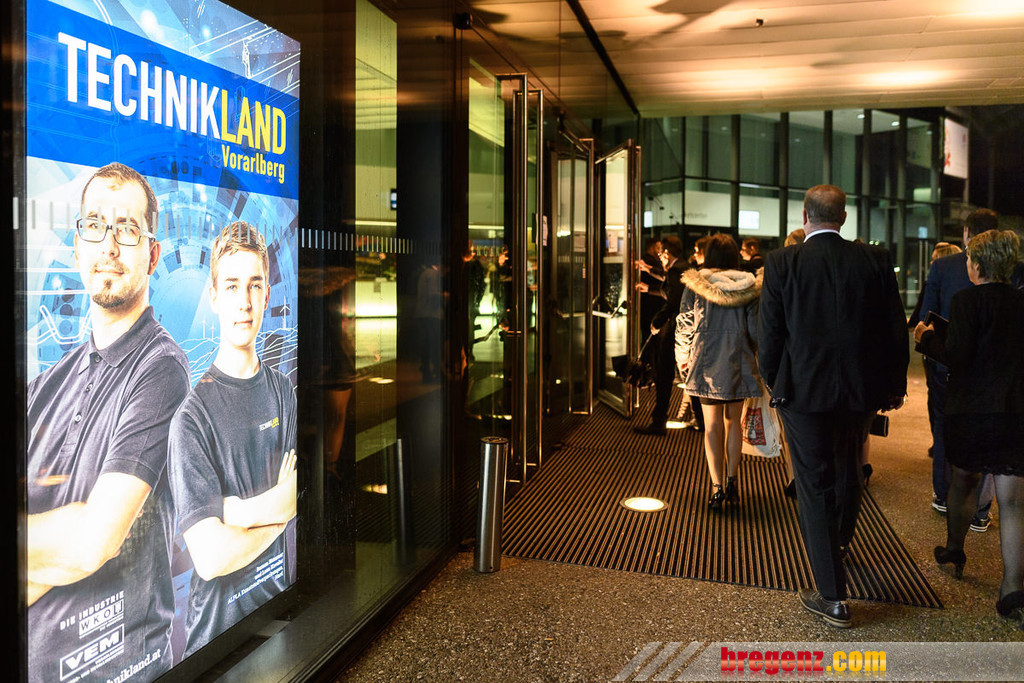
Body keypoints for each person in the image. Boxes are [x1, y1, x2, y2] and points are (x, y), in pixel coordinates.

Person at [26, 162, 189, 682]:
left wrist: (64, 540)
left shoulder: (161, 369)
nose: (110, 246)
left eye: (128, 229)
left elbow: (90, 542)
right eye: (95, 225)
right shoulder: (43, 387)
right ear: (78, 247)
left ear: (153, 254)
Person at [759, 184, 908, 628]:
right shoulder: (875, 260)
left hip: (803, 392)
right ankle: (838, 544)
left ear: (805, 216)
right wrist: (893, 385)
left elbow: (771, 336)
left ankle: (833, 596)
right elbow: (894, 329)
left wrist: (776, 383)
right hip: (861, 390)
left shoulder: (783, 262)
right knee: (849, 471)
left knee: (814, 482)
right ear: (843, 218)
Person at [167, 222, 297, 657]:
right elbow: (211, 558)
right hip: (216, 643)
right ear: (214, 296)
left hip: (281, 613)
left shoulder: (282, 390)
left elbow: (298, 491)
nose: (245, 302)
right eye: (232, 286)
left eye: (255, 285)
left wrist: (238, 512)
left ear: (267, 294)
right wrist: (279, 515)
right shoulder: (191, 420)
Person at [913, 229, 1024, 625]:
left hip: (971, 411)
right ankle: (1012, 587)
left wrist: (927, 339)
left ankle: (955, 549)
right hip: (1014, 413)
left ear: (977, 264)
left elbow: (957, 355)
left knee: (963, 481)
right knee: (1012, 502)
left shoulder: (966, 301)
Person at [920, 210, 999, 531]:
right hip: (994, 369)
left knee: (943, 425)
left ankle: (943, 494)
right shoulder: (1009, 270)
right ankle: (980, 508)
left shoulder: (943, 266)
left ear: (967, 233)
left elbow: (927, 314)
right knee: (989, 430)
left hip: (947, 363)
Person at [674, 233, 761, 508]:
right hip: (739, 362)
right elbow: (756, 331)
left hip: (706, 361)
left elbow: (684, 323)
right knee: (734, 422)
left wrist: (682, 357)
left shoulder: (697, 285)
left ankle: (717, 488)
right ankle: (733, 481)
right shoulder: (748, 287)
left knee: (711, 426)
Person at [634, 235, 685, 436]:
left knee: (664, 373)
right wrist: (650, 287)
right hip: (681, 327)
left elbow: (673, 300)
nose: (660, 256)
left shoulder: (676, 270)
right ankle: (698, 418)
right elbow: (669, 291)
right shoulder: (681, 267)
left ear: (667, 253)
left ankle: (659, 421)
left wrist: (657, 321)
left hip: (674, 327)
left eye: (661, 253)